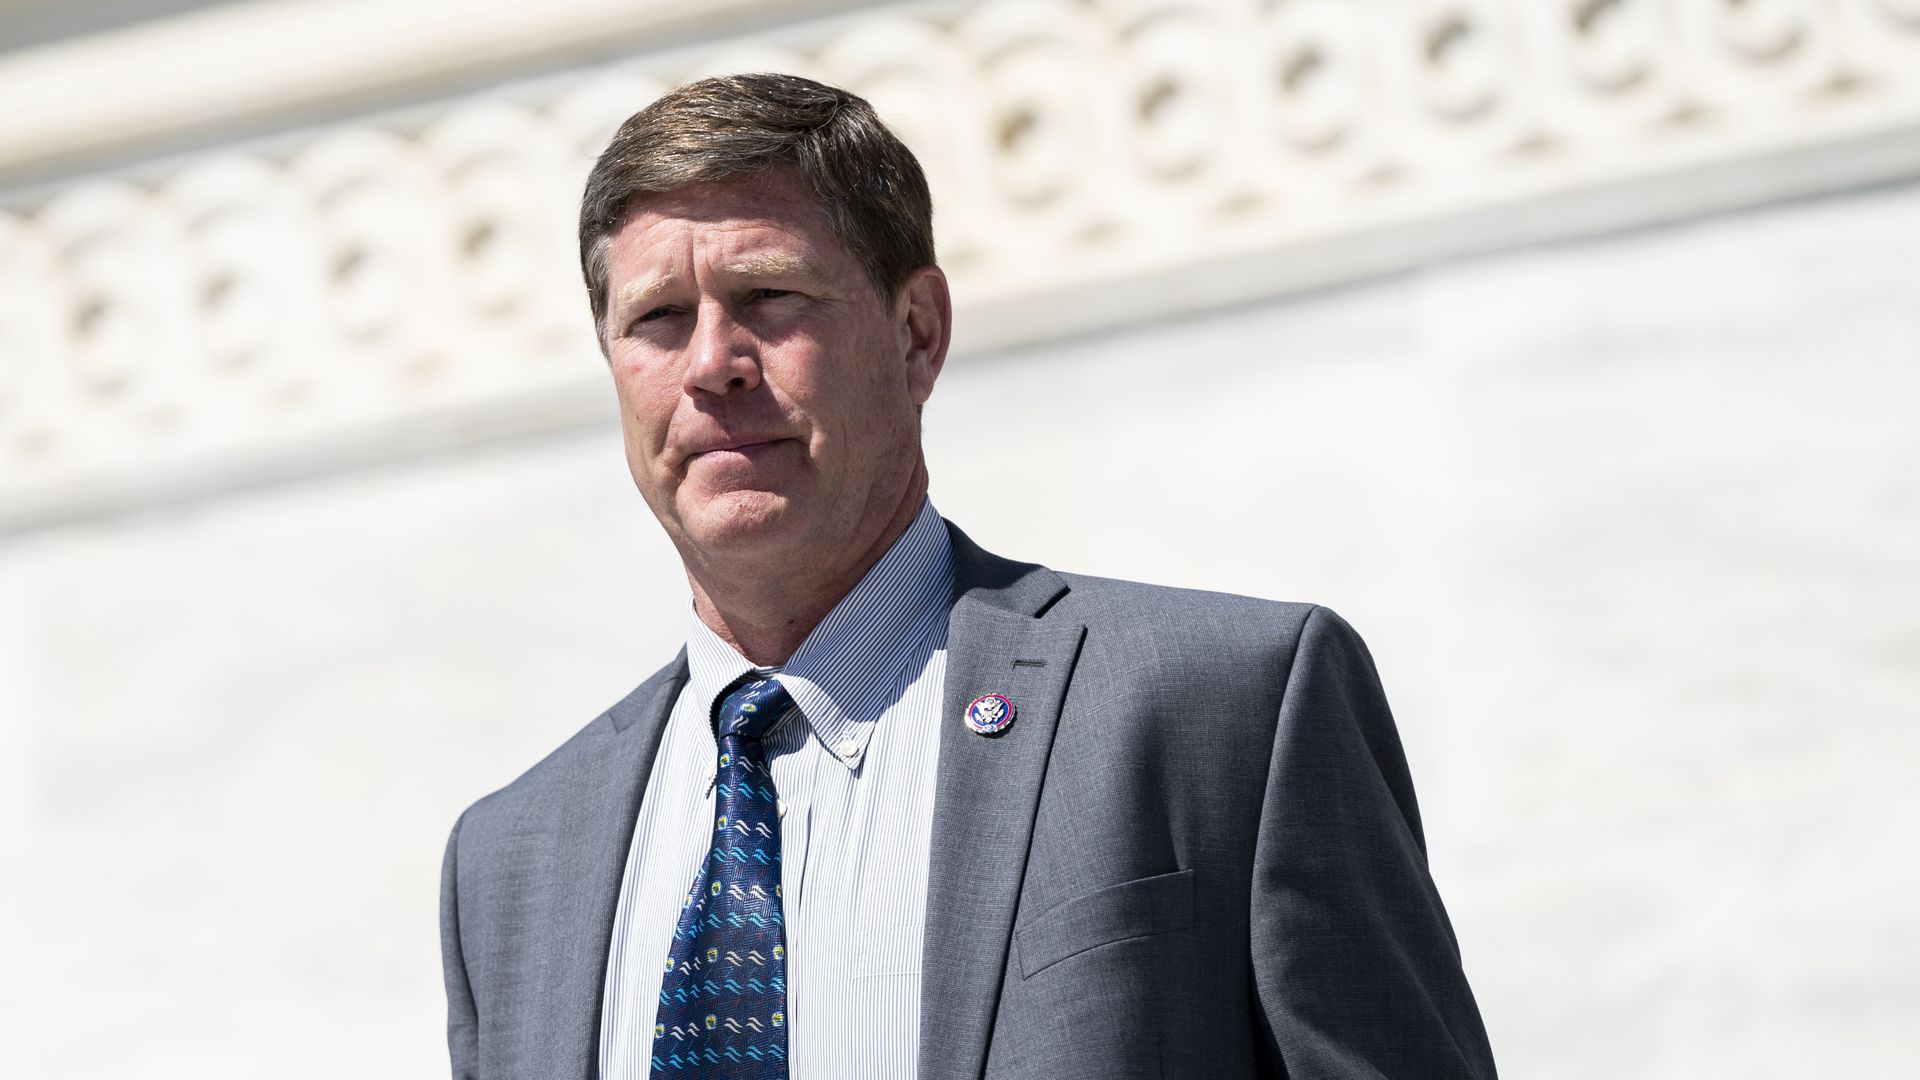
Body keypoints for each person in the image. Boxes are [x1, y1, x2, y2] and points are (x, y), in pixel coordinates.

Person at [439, 72, 1497, 1080]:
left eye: (768, 296)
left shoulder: (1226, 706)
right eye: (658, 319)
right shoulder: (514, 863)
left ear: (917, 333)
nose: (713, 361)